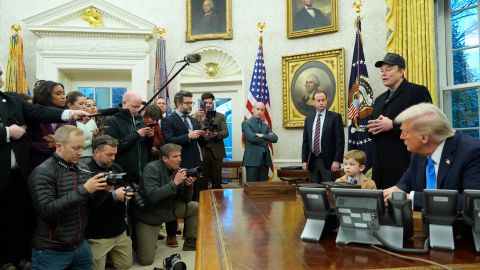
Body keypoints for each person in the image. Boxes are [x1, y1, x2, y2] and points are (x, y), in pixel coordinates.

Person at [0, 64, 89, 270]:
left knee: (18, 219)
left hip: (19, 175)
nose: (2, 75)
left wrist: (71, 114)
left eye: (2, 72)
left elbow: (38, 111)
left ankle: (17, 257)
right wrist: (5, 132)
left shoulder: (11, 100)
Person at [28, 125, 107, 269]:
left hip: (80, 245)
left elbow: (90, 206)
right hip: (51, 250)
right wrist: (84, 190)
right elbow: (46, 211)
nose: (80, 152)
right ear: (59, 146)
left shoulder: (83, 168)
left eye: (82, 147)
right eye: (75, 148)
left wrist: (103, 191)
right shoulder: (42, 172)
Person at [383, 103, 480, 210]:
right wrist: (389, 193)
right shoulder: (419, 153)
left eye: (405, 133)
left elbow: (473, 202)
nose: (401, 137)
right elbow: (403, 185)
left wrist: (412, 198)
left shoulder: (472, 152)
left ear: (424, 138)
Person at [367, 53, 432, 189]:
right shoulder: (379, 100)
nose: (383, 74)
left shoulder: (417, 91)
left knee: (403, 207)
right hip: (381, 167)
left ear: (401, 71)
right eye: (381, 70)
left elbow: (426, 122)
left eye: (389, 69)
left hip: (404, 164)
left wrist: (393, 125)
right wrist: (372, 129)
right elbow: (375, 128)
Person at [131, 144, 199, 266]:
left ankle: (190, 243)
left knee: (194, 207)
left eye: (180, 156)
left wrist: (189, 186)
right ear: (164, 158)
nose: (179, 159)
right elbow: (153, 196)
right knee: (146, 260)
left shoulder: (177, 170)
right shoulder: (151, 169)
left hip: (167, 209)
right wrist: (175, 183)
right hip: (149, 215)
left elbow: (185, 200)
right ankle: (137, 240)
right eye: (175, 156)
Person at [85, 135, 133, 270]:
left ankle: (109, 258)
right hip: (98, 234)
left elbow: (123, 185)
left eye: (115, 154)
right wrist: (112, 195)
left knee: (125, 265)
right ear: (96, 152)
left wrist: (127, 191)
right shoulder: (86, 170)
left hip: (119, 229)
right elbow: (89, 204)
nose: (113, 158)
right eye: (109, 154)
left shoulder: (115, 167)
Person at [162, 90, 205, 200]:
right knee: (184, 198)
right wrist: (188, 136)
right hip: (181, 163)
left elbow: (202, 143)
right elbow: (168, 141)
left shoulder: (194, 121)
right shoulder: (168, 120)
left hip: (196, 164)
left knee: (197, 196)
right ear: (178, 104)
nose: (190, 105)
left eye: (191, 103)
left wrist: (207, 136)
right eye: (187, 103)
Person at [106, 91, 154, 184]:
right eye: (134, 106)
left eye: (138, 106)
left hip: (142, 170)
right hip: (123, 171)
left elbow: (147, 147)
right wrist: (136, 134)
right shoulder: (112, 121)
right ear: (124, 103)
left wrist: (149, 137)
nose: (136, 110)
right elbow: (115, 147)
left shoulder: (140, 120)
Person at [301, 90, 344, 182]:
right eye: (318, 100)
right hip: (312, 160)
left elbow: (340, 141)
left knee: (329, 190)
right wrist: (304, 161)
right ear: (314, 102)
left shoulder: (335, 117)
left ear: (326, 101)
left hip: (329, 161)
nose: (321, 102)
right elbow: (305, 142)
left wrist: (337, 160)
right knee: (314, 190)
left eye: (323, 100)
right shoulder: (308, 119)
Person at [27, 80, 70, 167]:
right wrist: (49, 145)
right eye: (58, 94)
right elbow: (27, 143)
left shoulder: (68, 116)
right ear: (46, 96)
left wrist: (61, 141)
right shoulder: (33, 116)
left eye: (63, 94)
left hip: (63, 164)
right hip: (39, 164)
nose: (63, 97)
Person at [193, 92, 229, 189]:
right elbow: (191, 131)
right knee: (202, 181)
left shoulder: (220, 116)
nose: (208, 105)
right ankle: (203, 203)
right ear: (202, 103)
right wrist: (197, 119)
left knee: (216, 181)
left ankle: (218, 203)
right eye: (206, 103)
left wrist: (216, 134)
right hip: (201, 152)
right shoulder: (195, 116)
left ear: (213, 103)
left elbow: (225, 132)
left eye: (210, 103)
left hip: (216, 152)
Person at [242, 102, 278, 182]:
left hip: (265, 160)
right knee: (252, 188)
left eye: (262, 110)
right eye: (257, 109)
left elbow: (275, 138)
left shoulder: (266, 126)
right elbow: (252, 138)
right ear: (252, 109)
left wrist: (262, 135)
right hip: (252, 160)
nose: (259, 112)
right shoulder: (246, 123)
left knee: (263, 188)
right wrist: (267, 139)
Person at [67, 91, 98, 163]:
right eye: (81, 104)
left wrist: (96, 137)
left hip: (91, 156)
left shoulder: (91, 121)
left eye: (85, 104)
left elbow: (93, 141)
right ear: (70, 105)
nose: (84, 106)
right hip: (73, 157)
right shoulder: (66, 121)